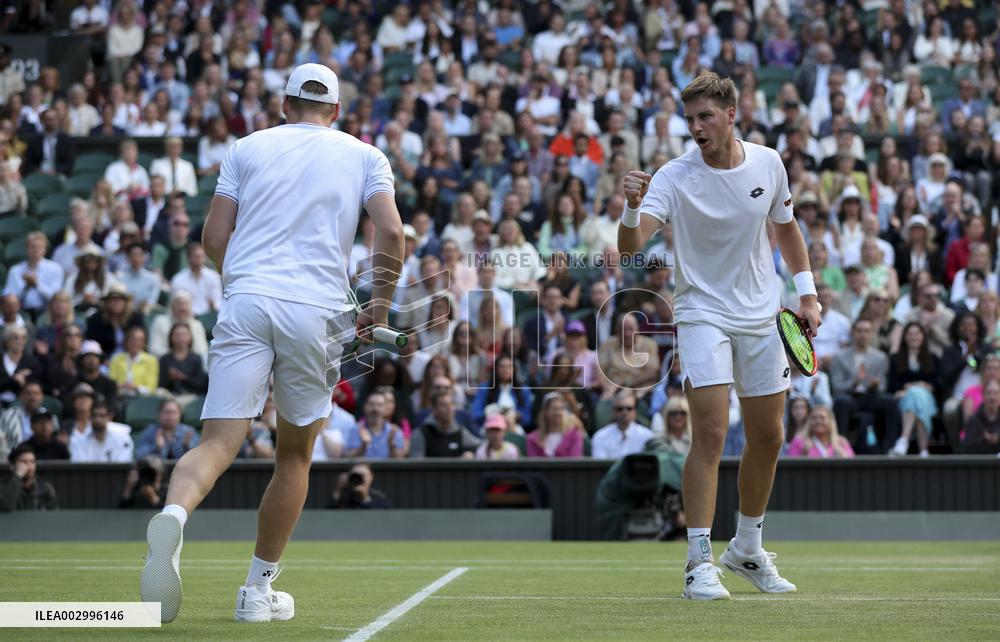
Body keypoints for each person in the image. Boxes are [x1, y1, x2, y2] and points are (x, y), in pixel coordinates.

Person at [139, 64, 403, 624]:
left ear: (284, 104)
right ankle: (257, 594)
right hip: (318, 311)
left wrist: (241, 282)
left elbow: (214, 238)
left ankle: (174, 516)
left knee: (216, 443)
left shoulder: (245, 147)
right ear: (335, 111)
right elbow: (392, 231)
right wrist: (377, 307)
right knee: (294, 455)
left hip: (247, 301)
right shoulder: (365, 156)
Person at [618, 73, 818, 599]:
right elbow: (630, 249)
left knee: (769, 437)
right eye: (689, 119)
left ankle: (747, 549)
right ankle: (698, 562)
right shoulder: (673, 175)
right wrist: (631, 206)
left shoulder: (768, 163)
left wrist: (808, 294)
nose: (696, 127)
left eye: (705, 116)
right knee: (709, 432)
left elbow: (787, 229)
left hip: (762, 316)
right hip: (702, 313)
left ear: (732, 113)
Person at [591, 390, 655, 459]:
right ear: (613, 411)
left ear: (635, 412)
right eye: (620, 409)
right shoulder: (600, 437)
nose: (624, 412)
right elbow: (600, 466)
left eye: (629, 409)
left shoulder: (647, 437)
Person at [70, 397, 134, 463]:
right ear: (90, 417)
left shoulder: (122, 437)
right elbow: (79, 467)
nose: (97, 420)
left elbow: (123, 464)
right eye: (94, 415)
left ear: (109, 417)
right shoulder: (80, 440)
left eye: (102, 416)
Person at [0, 443, 58, 511]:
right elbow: (5, 506)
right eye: (24, 462)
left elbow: (54, 514)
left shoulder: (45, 488)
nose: (29, 466)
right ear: (12, 466)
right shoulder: (3, 487)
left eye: (32, 462)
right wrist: (18, 476)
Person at [786, 405, 854, 458]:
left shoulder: (841, 442)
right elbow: (790, 470)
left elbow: (852, 466)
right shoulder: (799, 441)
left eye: (822, 418)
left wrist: (843, 454)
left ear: (830, 421)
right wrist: (804, 454)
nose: (818, 421)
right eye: (814, 418)